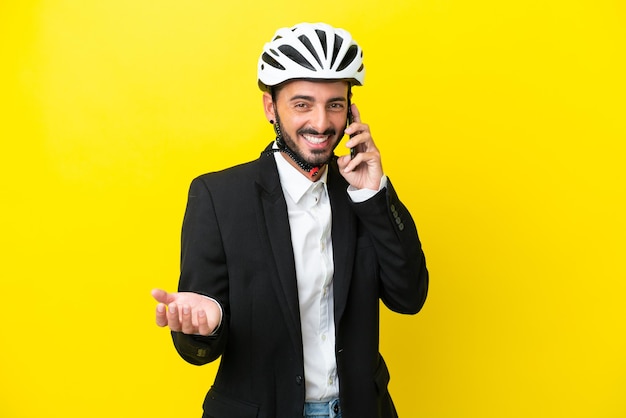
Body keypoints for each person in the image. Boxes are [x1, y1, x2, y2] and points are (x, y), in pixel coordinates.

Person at [151, 22, 428, 418]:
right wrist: (207, 326)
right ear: (270, 107)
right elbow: (197, 349)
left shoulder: (363, 192)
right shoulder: (219, 197)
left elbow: (409, 297)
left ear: (350, 109)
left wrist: (372, 194)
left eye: (334, 104)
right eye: (302, 104)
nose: (320, 122)